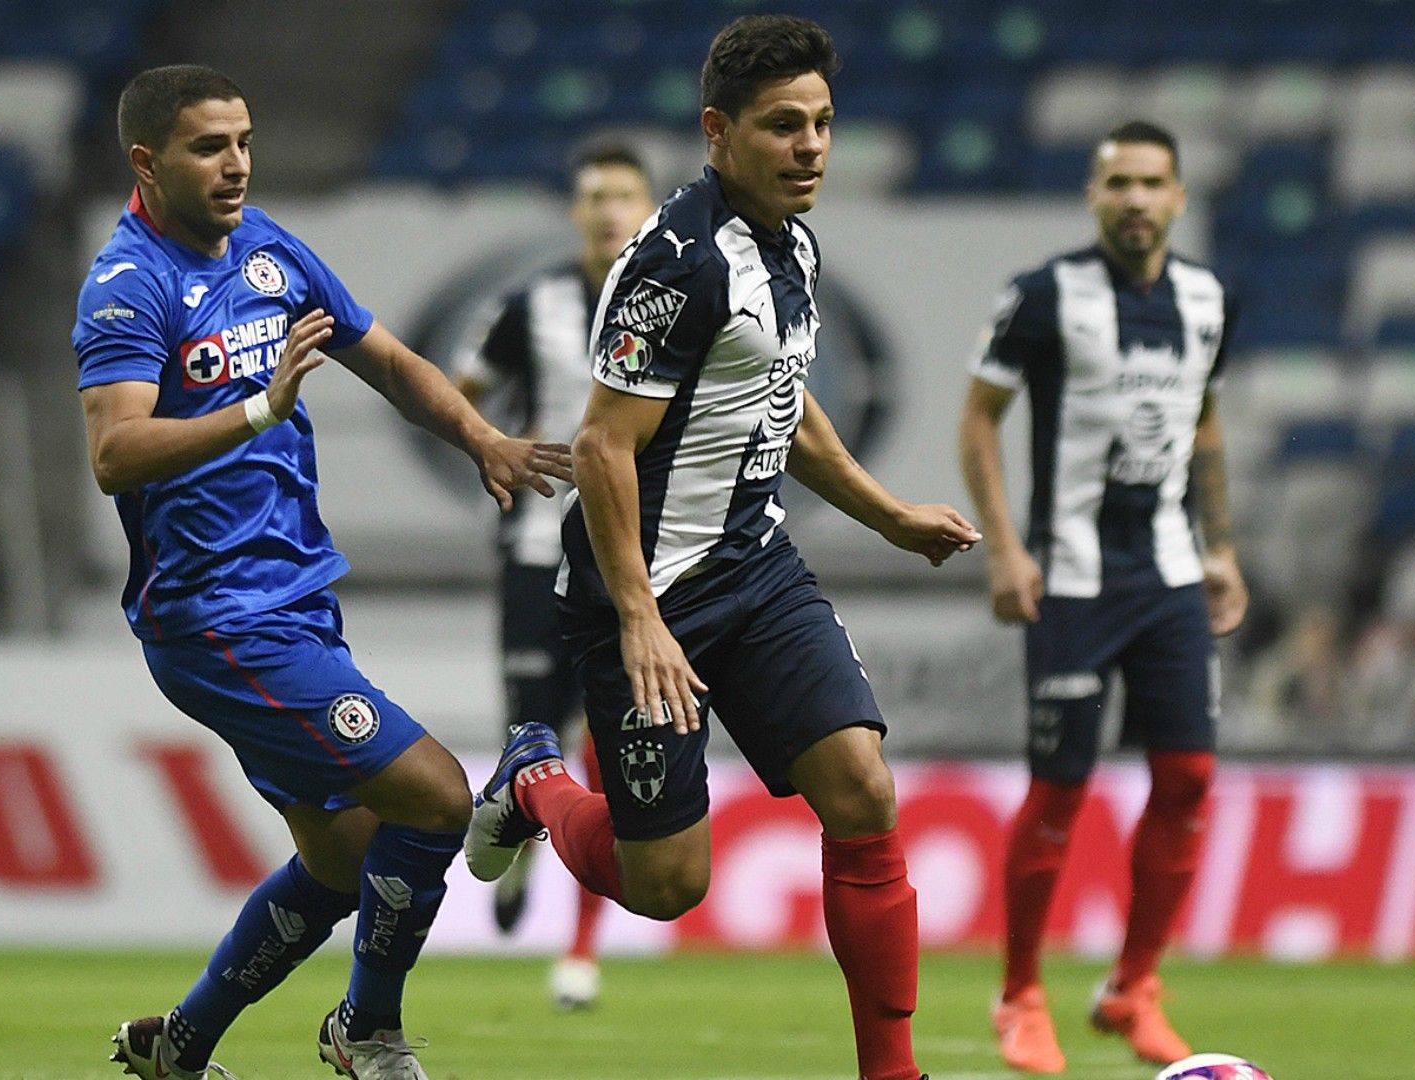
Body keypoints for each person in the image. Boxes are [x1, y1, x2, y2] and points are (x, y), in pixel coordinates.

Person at [464, 17, 979, 1080]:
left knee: (864, 792)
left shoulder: (795, 243)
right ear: (718, 131)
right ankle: (533, 785)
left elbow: (785, 406)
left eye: (824, 124)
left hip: (755, 569)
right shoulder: (675, 264)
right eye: (784, 126)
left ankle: (892, 1071)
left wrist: (888, 515)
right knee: (666, 886)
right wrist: (643, 618)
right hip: (635, 597)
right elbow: (606, 448)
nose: (811, 148)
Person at [72, 65, 569, 1080]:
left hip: (294, 603)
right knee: (433, 797)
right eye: (210, 146)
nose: (237, 165)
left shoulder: (268, 251)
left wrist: (481, 436)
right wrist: (256, 410)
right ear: (146, 160)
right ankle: (366, 1033)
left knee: (343, 862)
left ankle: (183, 1045)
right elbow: (115, 454)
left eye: (245, 140)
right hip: (217, 620)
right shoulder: (129, 285)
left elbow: (386, 357)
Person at [957, 120, 1246, 1073]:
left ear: (1178, 198)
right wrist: (1005, 550)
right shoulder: (1046, 296)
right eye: (1117, 181)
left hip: (1166, 574)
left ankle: (1133, 988)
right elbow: (978, 419)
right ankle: (1021, 995)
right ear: (1093, 194)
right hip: (1072, 579)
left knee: (1191, 779)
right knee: (1059, 790)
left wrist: (1222, 547)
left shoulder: (1208, 298)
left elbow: (1202, 422)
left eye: (1151, 182)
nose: (1134, 199)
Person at [452, 139, 658, 1010]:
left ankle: (579, 953)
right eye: (594, 196)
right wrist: (495, 450)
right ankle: (519, 855)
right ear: (576, 211)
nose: (609, 209)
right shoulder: (531, 306)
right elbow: (463, 388)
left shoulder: (677, 303)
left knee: (611, 753)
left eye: (623, 194)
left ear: (648, 207)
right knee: (528, 740)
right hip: (540, 554)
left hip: (635, 564)